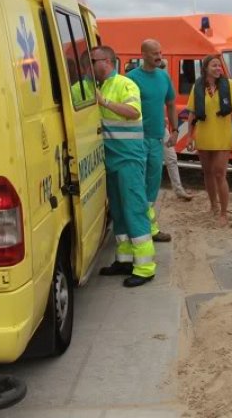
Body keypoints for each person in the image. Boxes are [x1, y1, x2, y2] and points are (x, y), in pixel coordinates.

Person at [90, 46, 156, 287]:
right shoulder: (97, 86)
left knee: (135, 211)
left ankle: (145, 268)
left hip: (129, 159)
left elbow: (133, 111)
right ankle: (125, 260)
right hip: (110, 160)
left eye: (93, 60)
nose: (90, 64)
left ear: (106, 61)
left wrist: (104, 102)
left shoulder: (125, 84)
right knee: (118, 212)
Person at [126, 39, 181, 243]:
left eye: (160, 52)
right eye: (154, 53)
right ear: (143, 55)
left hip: (157, 139)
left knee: (152, 185)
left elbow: (171, 104)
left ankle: (150, 226)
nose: (159, 56)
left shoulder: (164, 77)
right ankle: (139, 228)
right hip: (136, 140)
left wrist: (175, 130)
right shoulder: (130, 79)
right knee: (136, 185)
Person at [186, 54, 232, 227]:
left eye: (219, 66)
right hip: (203, 136)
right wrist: (189, 136)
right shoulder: (198, 86)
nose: (218, 68)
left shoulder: (229, 85)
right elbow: (192, 113)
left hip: (222, 136)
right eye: (214, 66)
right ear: (205, 69)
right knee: (208, 172)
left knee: (220, 173)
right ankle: (213, 205)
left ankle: (224, 212)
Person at [158, 58, 193, 201]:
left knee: (171, 158)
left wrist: (173, 129)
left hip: (162, 127)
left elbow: (170, 104)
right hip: (150, 128)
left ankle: (178, 189)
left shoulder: (163, 81)